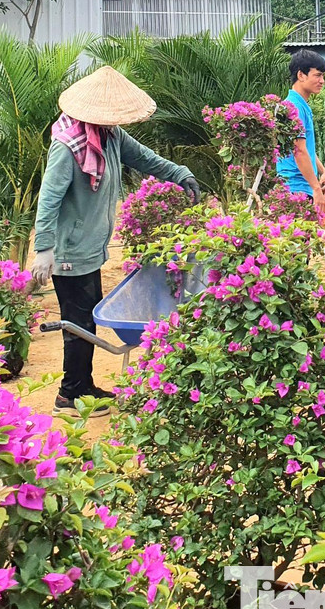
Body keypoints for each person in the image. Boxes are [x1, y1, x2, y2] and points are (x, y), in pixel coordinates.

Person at [30, 66, 200, 414]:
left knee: (86, 321)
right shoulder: (68, 146)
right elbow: (48, 199)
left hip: (90, 248)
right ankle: (69, 394)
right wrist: (44, 248)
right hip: (68, 252)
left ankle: (84, 385)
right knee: (78, 324)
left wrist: (180, 174)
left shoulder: (109, 135)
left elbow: (146, 158)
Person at [276, 50, 325, 216]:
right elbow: (298, 151)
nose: (322, 81)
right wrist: (316, 189)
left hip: (298, 186)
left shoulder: (297, 104)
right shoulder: (295, 107)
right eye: (317, 75)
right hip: (296, 187)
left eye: (323, 76)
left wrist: (322, 171)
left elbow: (305, 147)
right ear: (301, 75)